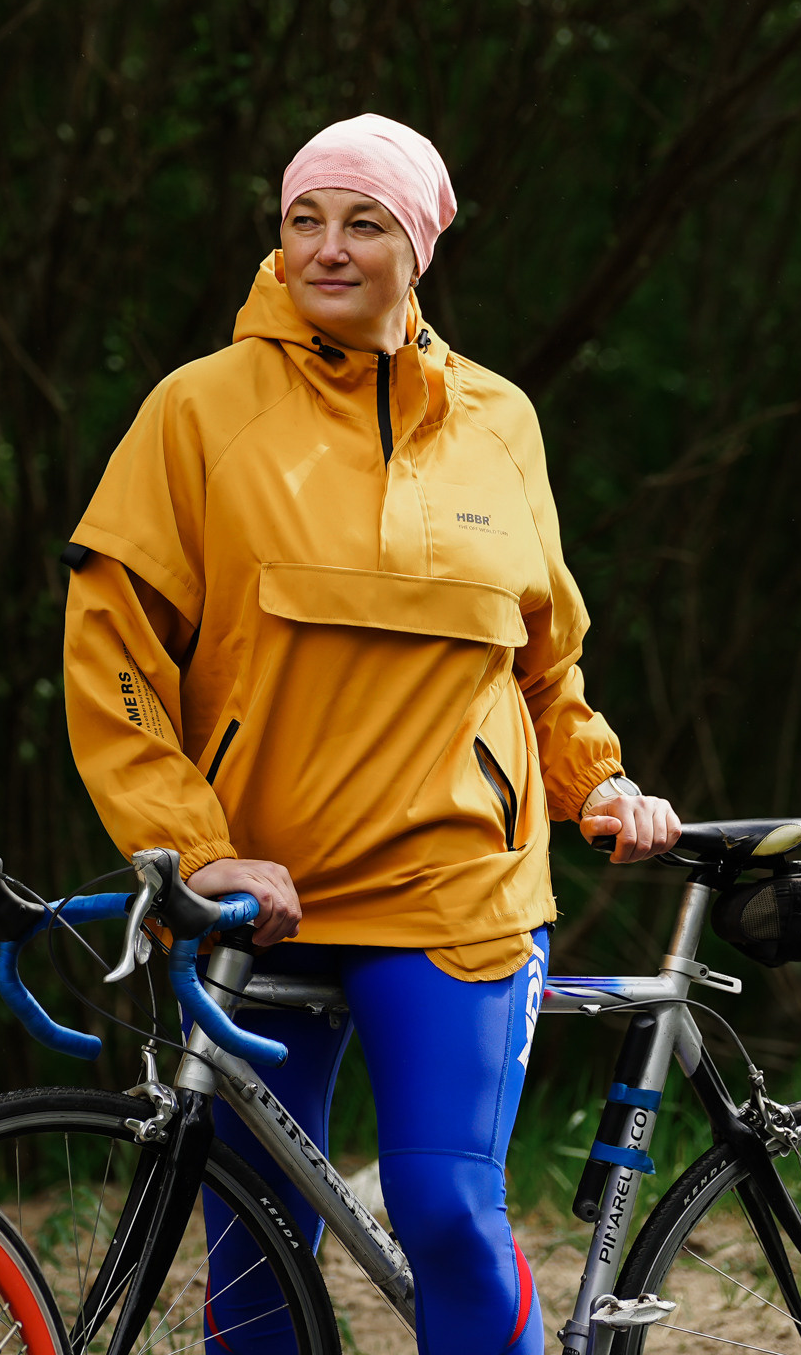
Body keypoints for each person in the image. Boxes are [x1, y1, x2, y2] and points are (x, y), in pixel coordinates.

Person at [60, 113, 681, 1353]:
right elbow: (111, 649)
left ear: (422, 246)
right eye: (305, 220)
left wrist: (595, 781)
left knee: (449, 1210)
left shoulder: (502, 421)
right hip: (260, 890)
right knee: (254, 1245)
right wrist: (195, 848)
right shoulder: (198, 411)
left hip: (457, 889)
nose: (328, 249)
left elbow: (544, 658)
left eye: (364, 222)